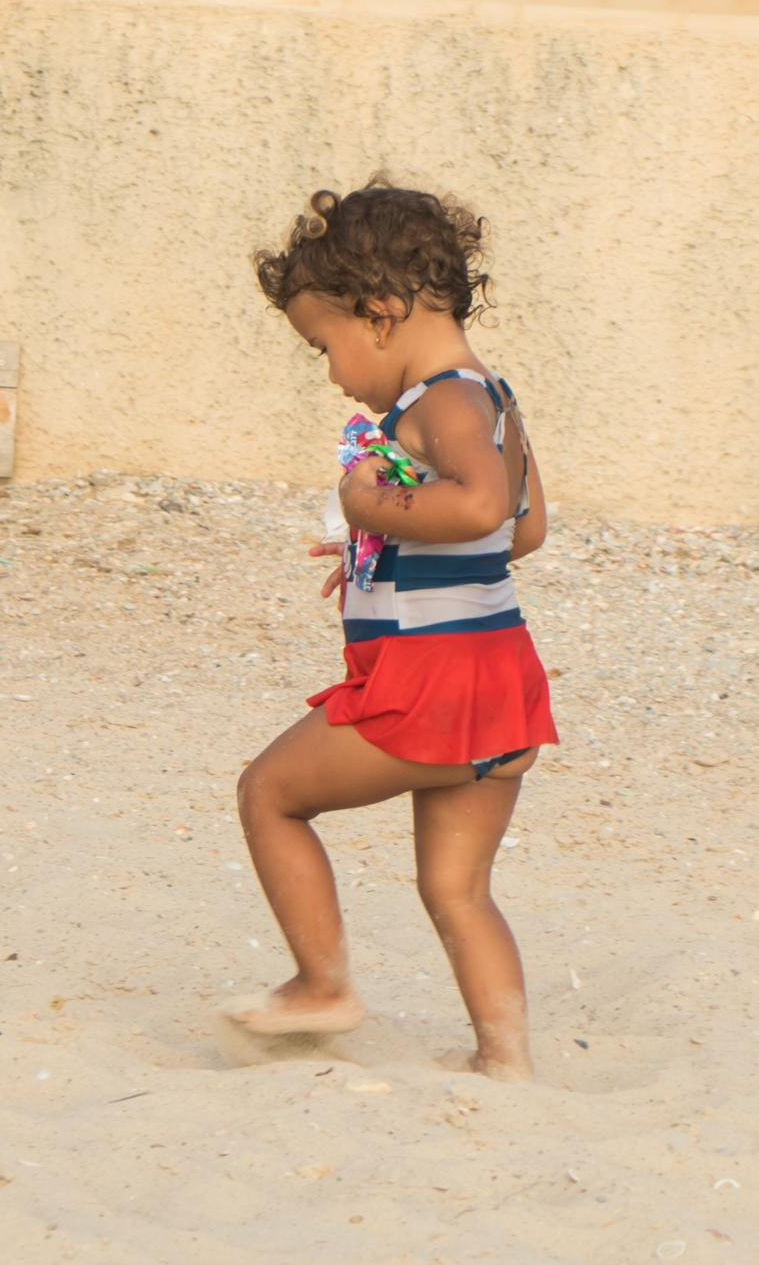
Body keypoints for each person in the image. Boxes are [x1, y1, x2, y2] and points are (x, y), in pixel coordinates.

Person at [232, 179, 556, 1081]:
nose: (332, 372)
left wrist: (369, 499)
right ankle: (505, 1060)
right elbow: (520, 530)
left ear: (378, 315)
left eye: (323, 345)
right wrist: (391, 540)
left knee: (269, 795)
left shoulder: (437, 403)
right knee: (458, 889)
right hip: (500, 683)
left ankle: (319, 983)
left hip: (431, 686)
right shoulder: (494, 398)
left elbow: (480, 504)